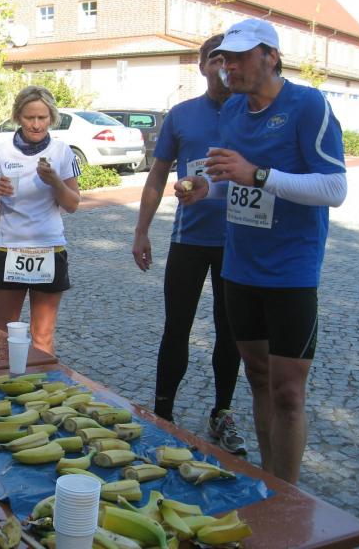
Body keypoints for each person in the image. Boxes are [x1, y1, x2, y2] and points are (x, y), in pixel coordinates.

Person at [176, 18, 346, 483]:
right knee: (257, 375)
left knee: (288, 392)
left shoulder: (308, 105)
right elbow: (232, 182)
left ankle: (287, 497)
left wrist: (259, 174)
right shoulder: (232, 110)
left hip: (291, 268)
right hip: (240, 266)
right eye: (224, 60)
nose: (229, 68)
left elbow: (334, 188)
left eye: (240, 58)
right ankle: (270, 481)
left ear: (271, 56)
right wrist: (206, 188)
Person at [132, 34, 246, 455]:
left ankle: (222, 412)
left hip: (237, 241)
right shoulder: (182, 115)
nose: (223, 67)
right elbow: (157, 174)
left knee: (230, 332)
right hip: (190, 239)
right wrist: (141, 230)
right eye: (215, 59)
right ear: (202, 66)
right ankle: (163, 412)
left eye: (229, 59)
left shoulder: (249, 112)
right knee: (176, 328)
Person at [0, 86, 81, 355]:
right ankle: (5, 380)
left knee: (42, 337)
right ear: (17, 117)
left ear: (52, 118)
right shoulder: (0, 153)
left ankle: (43, 383)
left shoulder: (62, 152)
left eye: (42, 118)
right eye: (29, 117)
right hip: (9, 248)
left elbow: (72, 205)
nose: (36, 125)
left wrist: (55, 181)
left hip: (49, 248)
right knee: (3, 335)